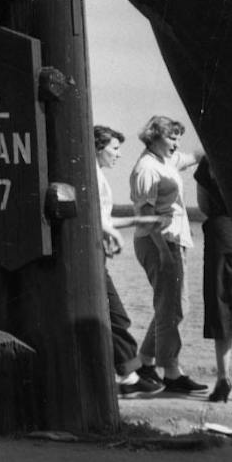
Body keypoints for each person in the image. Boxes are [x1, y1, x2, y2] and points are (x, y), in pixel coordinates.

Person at [128, 114, 205, 394]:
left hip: (173, 240)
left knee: (170, 306)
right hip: (159, 241)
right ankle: (171, 371)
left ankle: (144, 361)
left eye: (177, 138)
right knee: (173, 306)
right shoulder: (147, 168)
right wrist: (163, 252)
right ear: (154, 137)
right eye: (171, 137)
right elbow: (147, 215)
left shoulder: (166, 160)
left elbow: (192, 157)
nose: (175, 143)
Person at [92, 125, 161, 397]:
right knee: (116, 315)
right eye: (115, 148)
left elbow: (104, 220)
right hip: (94, 258)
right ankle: (129, 377)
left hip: (98, 256)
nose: (119, 155)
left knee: (114, 316)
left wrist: (138, 220)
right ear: (99, 148)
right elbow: (94, 218)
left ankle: (128, 374)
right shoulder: (92, 176)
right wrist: (112, 235)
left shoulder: (97, 175)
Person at [194, 154, 232, 404]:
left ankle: (223, 379)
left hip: (222, 236)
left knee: (222, 306)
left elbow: (204, 205)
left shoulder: (210, 159)